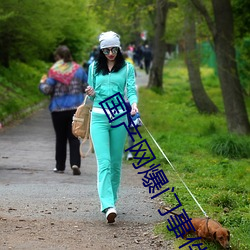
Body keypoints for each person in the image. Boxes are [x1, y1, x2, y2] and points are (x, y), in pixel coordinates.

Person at [85, 31, 138, 223]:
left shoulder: (127, 68)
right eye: (106, 50)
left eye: (114, 49)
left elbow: (131, 90)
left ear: (119, 48)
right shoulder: (93, 68)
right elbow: (91, 97)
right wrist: (90, 92)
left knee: (116, 163)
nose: (110, 53)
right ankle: (107, 205)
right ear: (101, 50)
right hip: (98, 117)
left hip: (119, 118)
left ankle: (112, 201)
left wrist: (133, 104)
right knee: (104, 162)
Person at [39, 45, 88, 175]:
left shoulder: (54, 71)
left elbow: (47, 90)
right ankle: (75, 163)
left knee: (60, 138)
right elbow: (86, 87)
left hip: (58, 109)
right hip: (75, 109)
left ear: (58, 57)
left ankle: (60, 166)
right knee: (74, 137)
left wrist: (42, 83)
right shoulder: (79, 70)